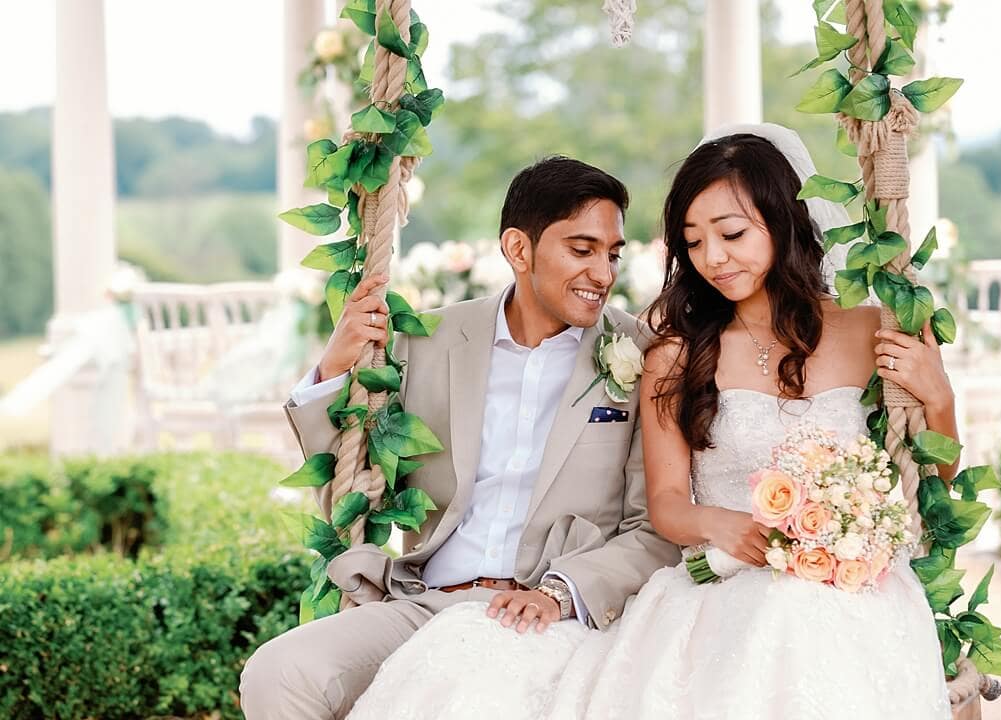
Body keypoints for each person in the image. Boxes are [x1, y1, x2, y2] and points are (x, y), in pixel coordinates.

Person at [345, 124, 954, 719]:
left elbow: (936, 477)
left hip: (849, 579)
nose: (713, 258)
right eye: (692, 241)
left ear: (783, 222)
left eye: (732, 234)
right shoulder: (678, 352)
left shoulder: (875, 329)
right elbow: (665, 505)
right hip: (730, 575)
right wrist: (724, 525)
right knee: (779, 622)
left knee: (810, 624)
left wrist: (938, 396)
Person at [239, 155, 680, 720]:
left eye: (612, 254)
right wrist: (332, 370)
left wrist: (562, 590)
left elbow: (654, 529)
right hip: (426, 602)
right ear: (518, 249)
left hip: (542, 612)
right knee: (279, 673)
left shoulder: (640, 356)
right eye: (581, 249)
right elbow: (351, 493)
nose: (603, 273)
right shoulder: (429, 342)